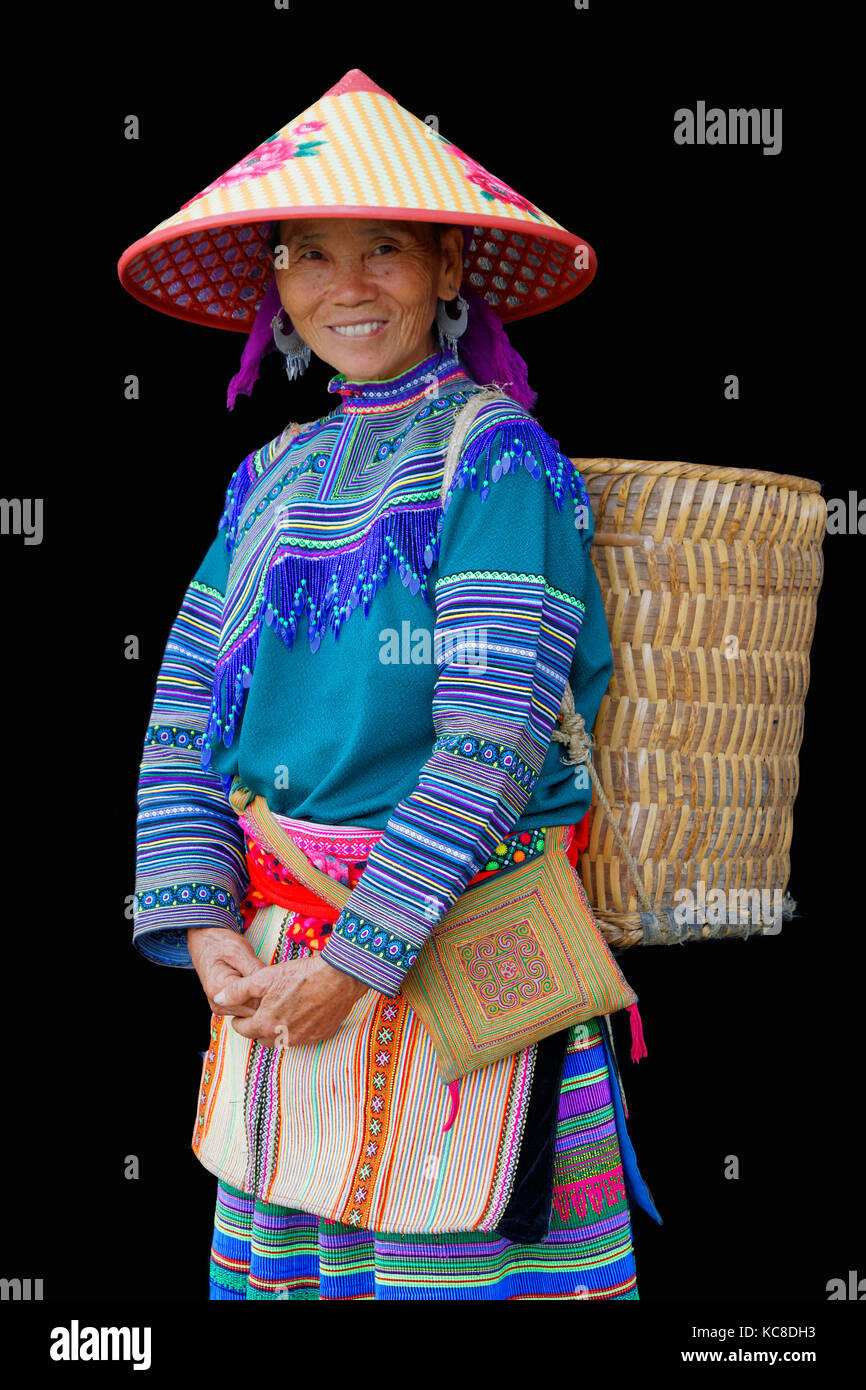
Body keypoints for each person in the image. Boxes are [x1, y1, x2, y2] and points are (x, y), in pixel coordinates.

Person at [120, 67, 661, 1301]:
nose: (345, 284)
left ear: (448, 268)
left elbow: (495, 733)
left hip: (444, 951)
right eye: (310, 253)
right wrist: (207, 932)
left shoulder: (496, 460)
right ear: (278, 281)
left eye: (384, 248)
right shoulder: (267, 474)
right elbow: (186, 712)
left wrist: (356, 962)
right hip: (275, 963)